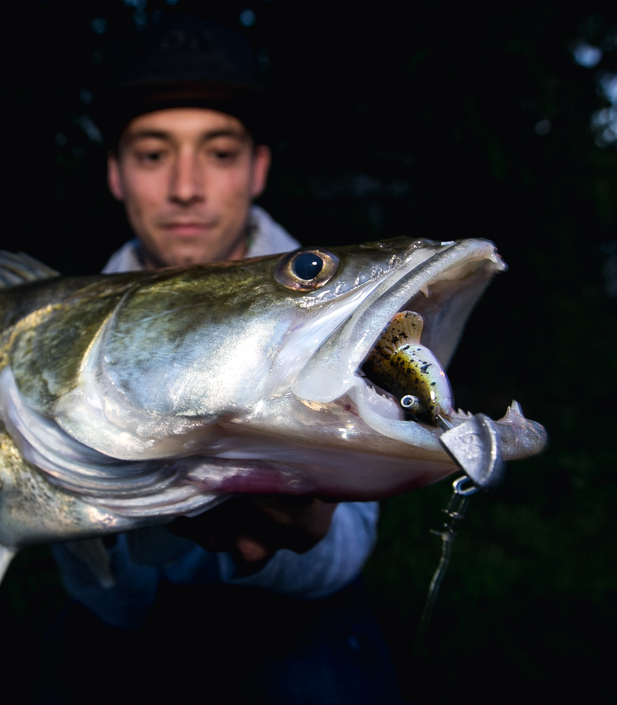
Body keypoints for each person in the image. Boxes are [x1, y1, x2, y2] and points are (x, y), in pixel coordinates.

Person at [41, 16, 401, 704]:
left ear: (258, 168)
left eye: (219, 152)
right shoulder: (60, 334)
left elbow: (348, 549)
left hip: (291, 614)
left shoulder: (339, 314)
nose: (185, 186)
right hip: (132, 616)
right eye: (152, 154)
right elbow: (111, 601)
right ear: (116, 172)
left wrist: (298, 533)